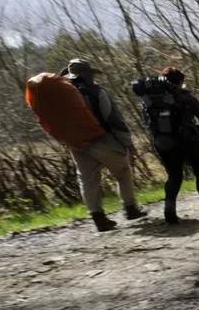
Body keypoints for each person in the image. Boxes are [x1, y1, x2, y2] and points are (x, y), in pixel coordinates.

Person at [61, 59, 146, 231]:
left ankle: (99, 219)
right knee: (122, 172)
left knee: (87, 180)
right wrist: (128, 143)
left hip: (77, 144)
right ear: (88, 75)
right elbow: (113, 119)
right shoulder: (96, 91)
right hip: (102, 140)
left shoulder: (62, 96)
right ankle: (130, 209)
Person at [149, 67, 199, 224]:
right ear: (180, 81)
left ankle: (169, 210)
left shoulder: (153, 99)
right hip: (188, 140)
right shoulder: (185, 96)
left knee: (174, 176)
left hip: (163, 142)